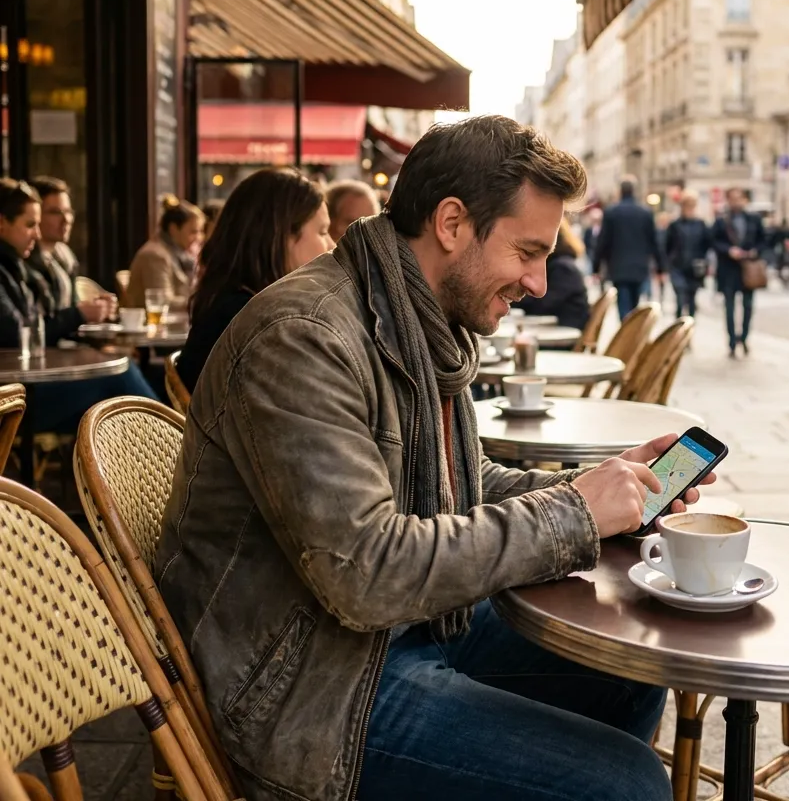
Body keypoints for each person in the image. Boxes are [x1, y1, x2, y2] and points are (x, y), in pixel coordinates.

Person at [155, 116, 715, 801]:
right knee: (626, 784)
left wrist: (605, 493)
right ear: (452, 224)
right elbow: (366, 571)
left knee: (630, 665)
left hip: (393, 636)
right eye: (527, 252)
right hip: (304, 687)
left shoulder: (412, 318)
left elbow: (464, 484)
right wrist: (573, 514)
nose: (539, 281)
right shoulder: (303, 337)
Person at [0, 179, 155, 431]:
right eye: (30, 225)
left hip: (24, 390)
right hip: (13, 402)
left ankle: (160, 457)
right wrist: (78, 315)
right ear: (2, 223)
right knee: (120, 378)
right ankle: (177, 455)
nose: (37, 234)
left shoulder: (16, 267)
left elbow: (34, 327)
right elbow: (19, 334)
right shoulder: (15, 268)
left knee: (116, 411)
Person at [176, 169, 333, 395]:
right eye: (322, 231)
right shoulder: (250, 319)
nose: (331, 244)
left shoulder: (234, 301)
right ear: (282, 237)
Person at [593, 176, 664, 320]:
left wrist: (596, 266)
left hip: (618, 266)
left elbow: (603, 241)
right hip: (639, 266)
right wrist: (661, 267)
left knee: (623, 304)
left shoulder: (612, 212)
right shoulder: (645, 213)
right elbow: (654, 242)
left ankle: (626, 334)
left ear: (620, 191)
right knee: (635, 303)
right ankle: (631, 334)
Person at [711, 188, 766, 357]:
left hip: (748, 269)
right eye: (733, 199)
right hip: (729, 269)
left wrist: (754, 252)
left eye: (739, 198)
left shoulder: (754, 219)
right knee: (729, 306)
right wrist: (729, 250)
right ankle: (732, 341)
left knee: (748, 305)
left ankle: (744, 336)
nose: (736, 202)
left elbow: (763, 241)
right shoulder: (721, 221)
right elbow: (714, 241)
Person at [126, 197, 204, 309]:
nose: (199, 238)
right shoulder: (155, 255)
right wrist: (202, 303)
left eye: (201, 231)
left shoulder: (180, 254)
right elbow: (162, 302)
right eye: (193, 232)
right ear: (173, 229)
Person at [517, 218, 590, 330]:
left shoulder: (563, 268)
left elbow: (543, 306)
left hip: (565, 330)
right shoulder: (563, 264)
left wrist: (515, 299)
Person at [27, 176, 82, 312]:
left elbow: (74, 305)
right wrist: (80, 315)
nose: (66, 219)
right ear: (35, 215)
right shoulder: (27, 259)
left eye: (68, 211)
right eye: (55, 212)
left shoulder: (66, 257)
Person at [665, 191, 710, 318]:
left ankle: (689, 326)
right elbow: (668, 245)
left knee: (691, 299)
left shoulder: (700, 224)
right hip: (678, 265)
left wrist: (703, 261)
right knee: (680, 297)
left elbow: (707, 243)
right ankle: (678, 326)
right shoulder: (675, 225)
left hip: (694, 267)